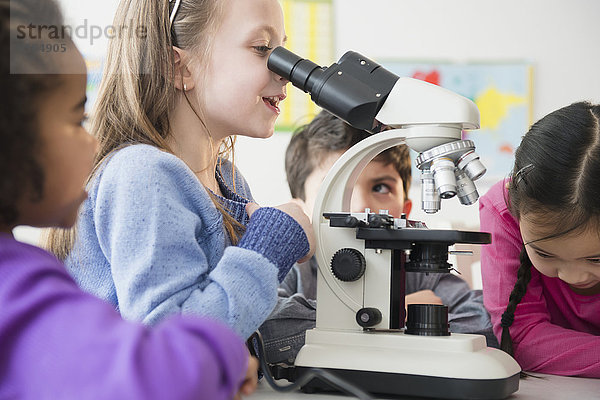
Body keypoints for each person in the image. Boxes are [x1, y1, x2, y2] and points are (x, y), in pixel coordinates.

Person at [0, 1, 259, 398]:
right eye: (75, 119)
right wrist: (223, 356)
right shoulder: (15, 286)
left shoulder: (24, 271)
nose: (92, 143)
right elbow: (166, 377)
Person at [47, 0, 315, 341]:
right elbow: (172, 346)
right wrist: (271, 244)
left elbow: (247, 317)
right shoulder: (142, 175)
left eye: (283, 49)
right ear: (179, 68)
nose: (286, 70)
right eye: (262, 48)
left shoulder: (227, 178)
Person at [259, 110, 497, 365]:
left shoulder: (422, 274)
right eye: (338, 187)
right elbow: (263, 326)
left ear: (405, 211)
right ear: (303, 212)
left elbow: (484, 324)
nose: (362, 206)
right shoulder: (295, 269)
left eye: (380, 187)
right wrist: (395, 315)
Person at [480, 101, 600, 378]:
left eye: (595, 258)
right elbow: (520, 338)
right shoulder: (502, 211)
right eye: (545, 254)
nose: (573, 276)